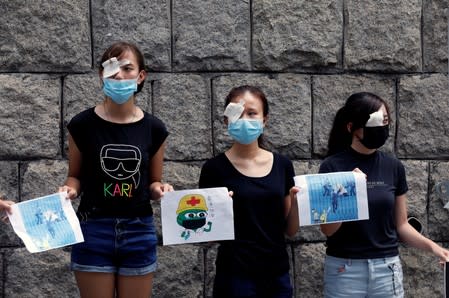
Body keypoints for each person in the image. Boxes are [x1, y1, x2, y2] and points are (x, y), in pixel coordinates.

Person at [59, 41, 172, 298]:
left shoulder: (155, 128)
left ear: (141, 76)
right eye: (111, 68)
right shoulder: (82, 124)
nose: (119, 75)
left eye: (127, 68)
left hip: (138, 229)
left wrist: (162, 189)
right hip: (93, 228)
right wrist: (69, 189)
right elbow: (75, 176)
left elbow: (153, 183)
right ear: (102, 74)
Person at [319, 92, 449, 298]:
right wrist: (347, 189)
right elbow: (327, 229)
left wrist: (435, 248)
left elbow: (402, 225)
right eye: (374, 124)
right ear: (352, 128)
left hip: (386, 269)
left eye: (385, 122)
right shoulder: (332, 166)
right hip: (344, 269)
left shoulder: (393, 167)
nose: (381, 130)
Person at [199, 85, 299, 298]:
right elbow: (205, 236)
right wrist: (219, 211)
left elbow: (289, 229)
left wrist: (299, 202)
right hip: (234, 277)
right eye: (237, 113)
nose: (245, 119)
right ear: (226, 120)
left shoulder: (283, 165)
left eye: (252, 113)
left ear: (265, 119)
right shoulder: (213, 169)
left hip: (277, 276)